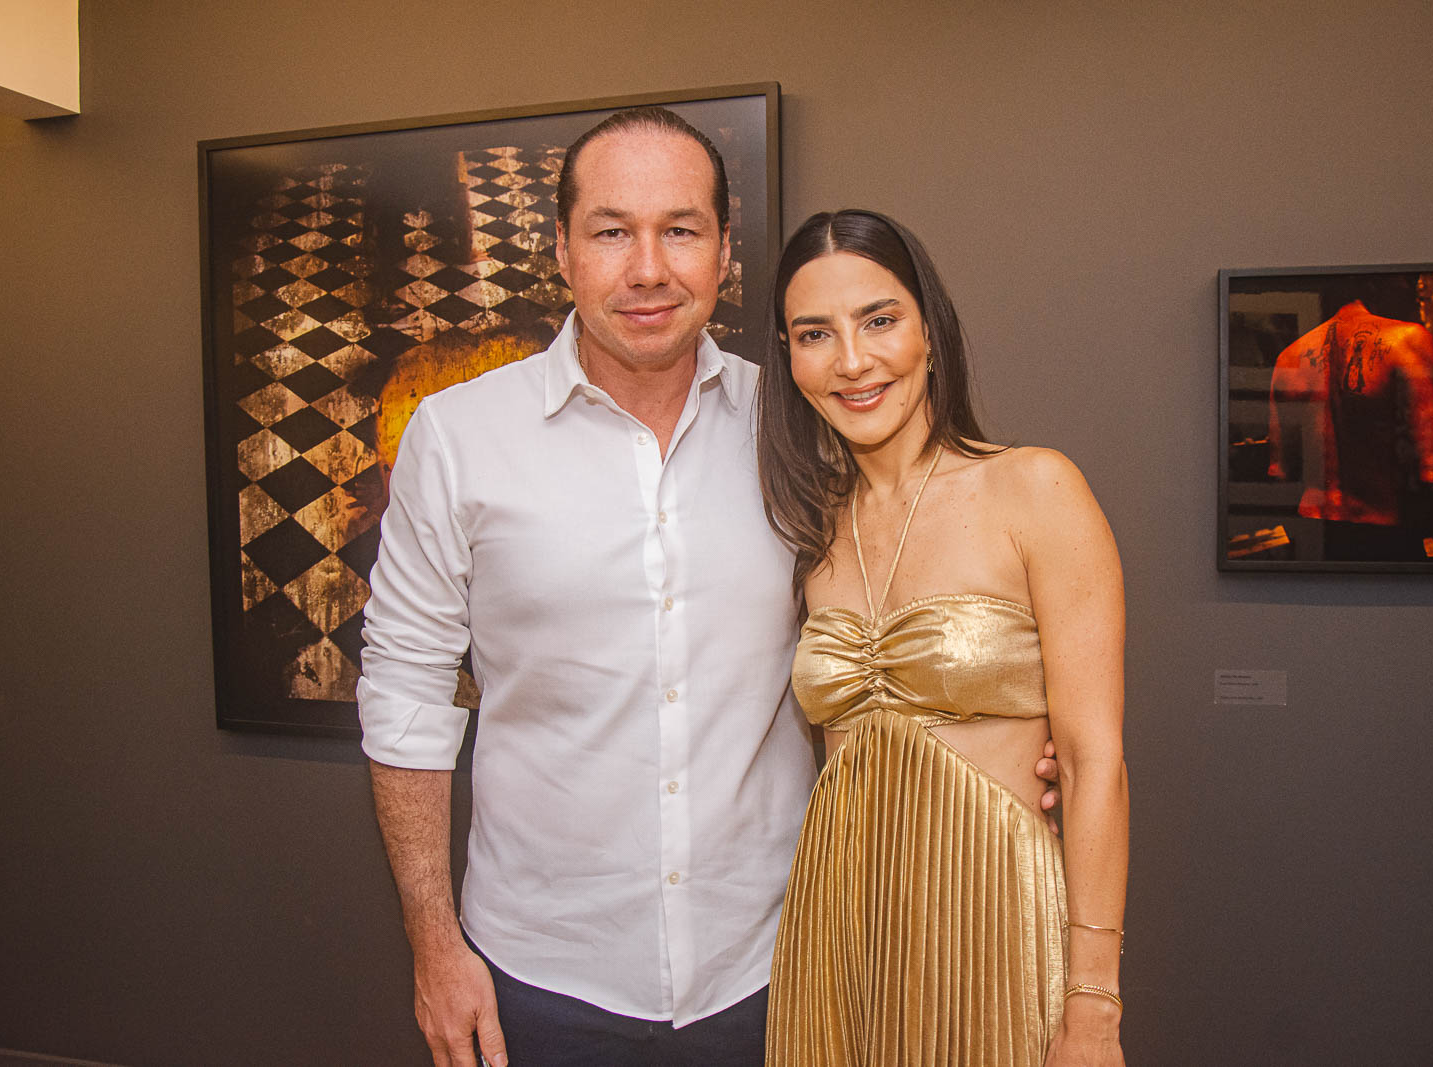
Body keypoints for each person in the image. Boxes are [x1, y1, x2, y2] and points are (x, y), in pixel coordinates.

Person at [358, 109, 1060, 1067]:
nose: (648, 268)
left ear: (725, 252)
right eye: (612, 231)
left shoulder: (802, 427)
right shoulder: (457, 438)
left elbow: (904, 614)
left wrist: (1014, 739)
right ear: (562, 249)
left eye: (680, 229)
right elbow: (404, 693)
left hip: (778, 967)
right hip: (537, 976)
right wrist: (435, 943)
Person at [757, 210, 1128, 1066]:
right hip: (840, 935)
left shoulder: (1034, 489)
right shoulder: (811, 533)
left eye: (879, 319)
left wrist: (1094, 1006)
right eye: (815, 334)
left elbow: (1093, 764)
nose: (852, 361)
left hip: (996, 928)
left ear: (930, 328)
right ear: (790, 358)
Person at [1267, 296, 1433, 561]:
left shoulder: (1288, 358)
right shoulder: (1406, 339)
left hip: (1313, 539)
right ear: (1376, 284)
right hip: (1384, 541)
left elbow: (1279, 473)